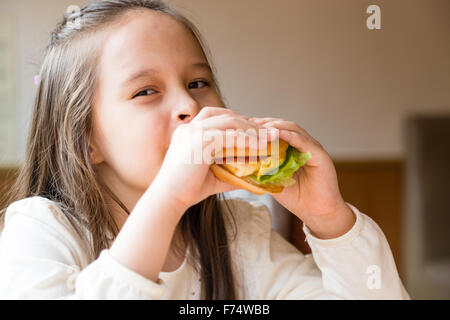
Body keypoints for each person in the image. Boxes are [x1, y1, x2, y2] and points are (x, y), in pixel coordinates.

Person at [0, 0, 409, 299]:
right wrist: (168, 199)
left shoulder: (237, 233)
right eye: (146, 91)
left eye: (198, 83)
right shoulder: (40, 232)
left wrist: (329, 218)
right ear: (84, 142)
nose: (190, 107)